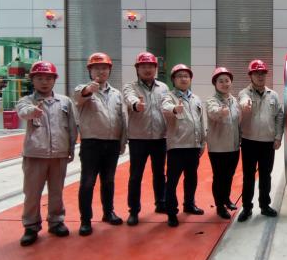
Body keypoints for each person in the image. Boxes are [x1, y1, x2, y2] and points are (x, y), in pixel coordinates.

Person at [15, 61, 77, 246]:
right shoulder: (27, 101)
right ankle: (31, 226)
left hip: (59, 154)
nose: (44, 82)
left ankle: (56, 221)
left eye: (48, 78)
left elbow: (72, 127)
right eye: (40, 78)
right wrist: (32, 112)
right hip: (35, 154)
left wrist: (71, 148)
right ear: (32, 80)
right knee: (32, 193)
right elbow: (23, 112)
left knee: (57, 191)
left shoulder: (65, 102)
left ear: (54, 80)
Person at [74, 52, 127, 236]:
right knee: (87, 182)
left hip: (111, 144)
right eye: (96, 68)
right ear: (90, 71)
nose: (101, 71)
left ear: (109, 70)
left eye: (104, 68)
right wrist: (90, 89)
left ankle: (108, 212)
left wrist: (122, 141)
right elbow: (80, 96)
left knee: (108, 181)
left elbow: (121, 119)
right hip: (91, 144)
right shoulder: (83, 90)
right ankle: (85, 220)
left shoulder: (117, 94)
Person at [122, 51, 170, 226]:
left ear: (155, 68)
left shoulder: (163, 87)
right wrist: (136, 105)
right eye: (143, 66)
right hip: (138, 139)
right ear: (137, 69)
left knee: (159, 173)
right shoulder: (130, 87)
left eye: (150, 66)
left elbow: (167, 105)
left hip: (159, 137)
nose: (147, 69)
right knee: (136, 176)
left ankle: (161, 203)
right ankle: (134, 210)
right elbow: (130, 99)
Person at [237, 59, 285, 222]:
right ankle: (247, 208)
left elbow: (279, 116)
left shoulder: (273, 95)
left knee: (266, 175)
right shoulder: (244, 93)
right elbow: (243, 100)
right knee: (248, 176)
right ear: (250, 76)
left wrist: (278, 137)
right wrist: (245, 104)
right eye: (256, 73)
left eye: (262, 73)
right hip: (249, 142)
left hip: (267, 143)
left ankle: (265, 206)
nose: (260, 76)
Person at [161, 64, 206, 227]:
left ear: (190, 79)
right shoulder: (169, 97)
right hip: (177, 147)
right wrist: (174, 108)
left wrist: (202, 142)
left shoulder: (196, 99)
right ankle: (171, 212)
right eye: (179, 76)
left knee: (191, 178)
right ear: (173, 80)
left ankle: (189, 204)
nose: (183, 79)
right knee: (172, 181)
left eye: (186, 76)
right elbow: (165, 108)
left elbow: (200, 121)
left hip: (193, 146)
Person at [205, 67, 241, 219]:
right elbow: (213, 112)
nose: (225, 84)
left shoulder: (234, 100)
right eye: (221, 81)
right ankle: (219, 206)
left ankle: (226, 199)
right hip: (218, 148)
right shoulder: (211, 101)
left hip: (233, 146)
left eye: (227, 81)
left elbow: (238, 122)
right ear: (215, 83)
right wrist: (220, 112)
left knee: (229, 176)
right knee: (219, 177)